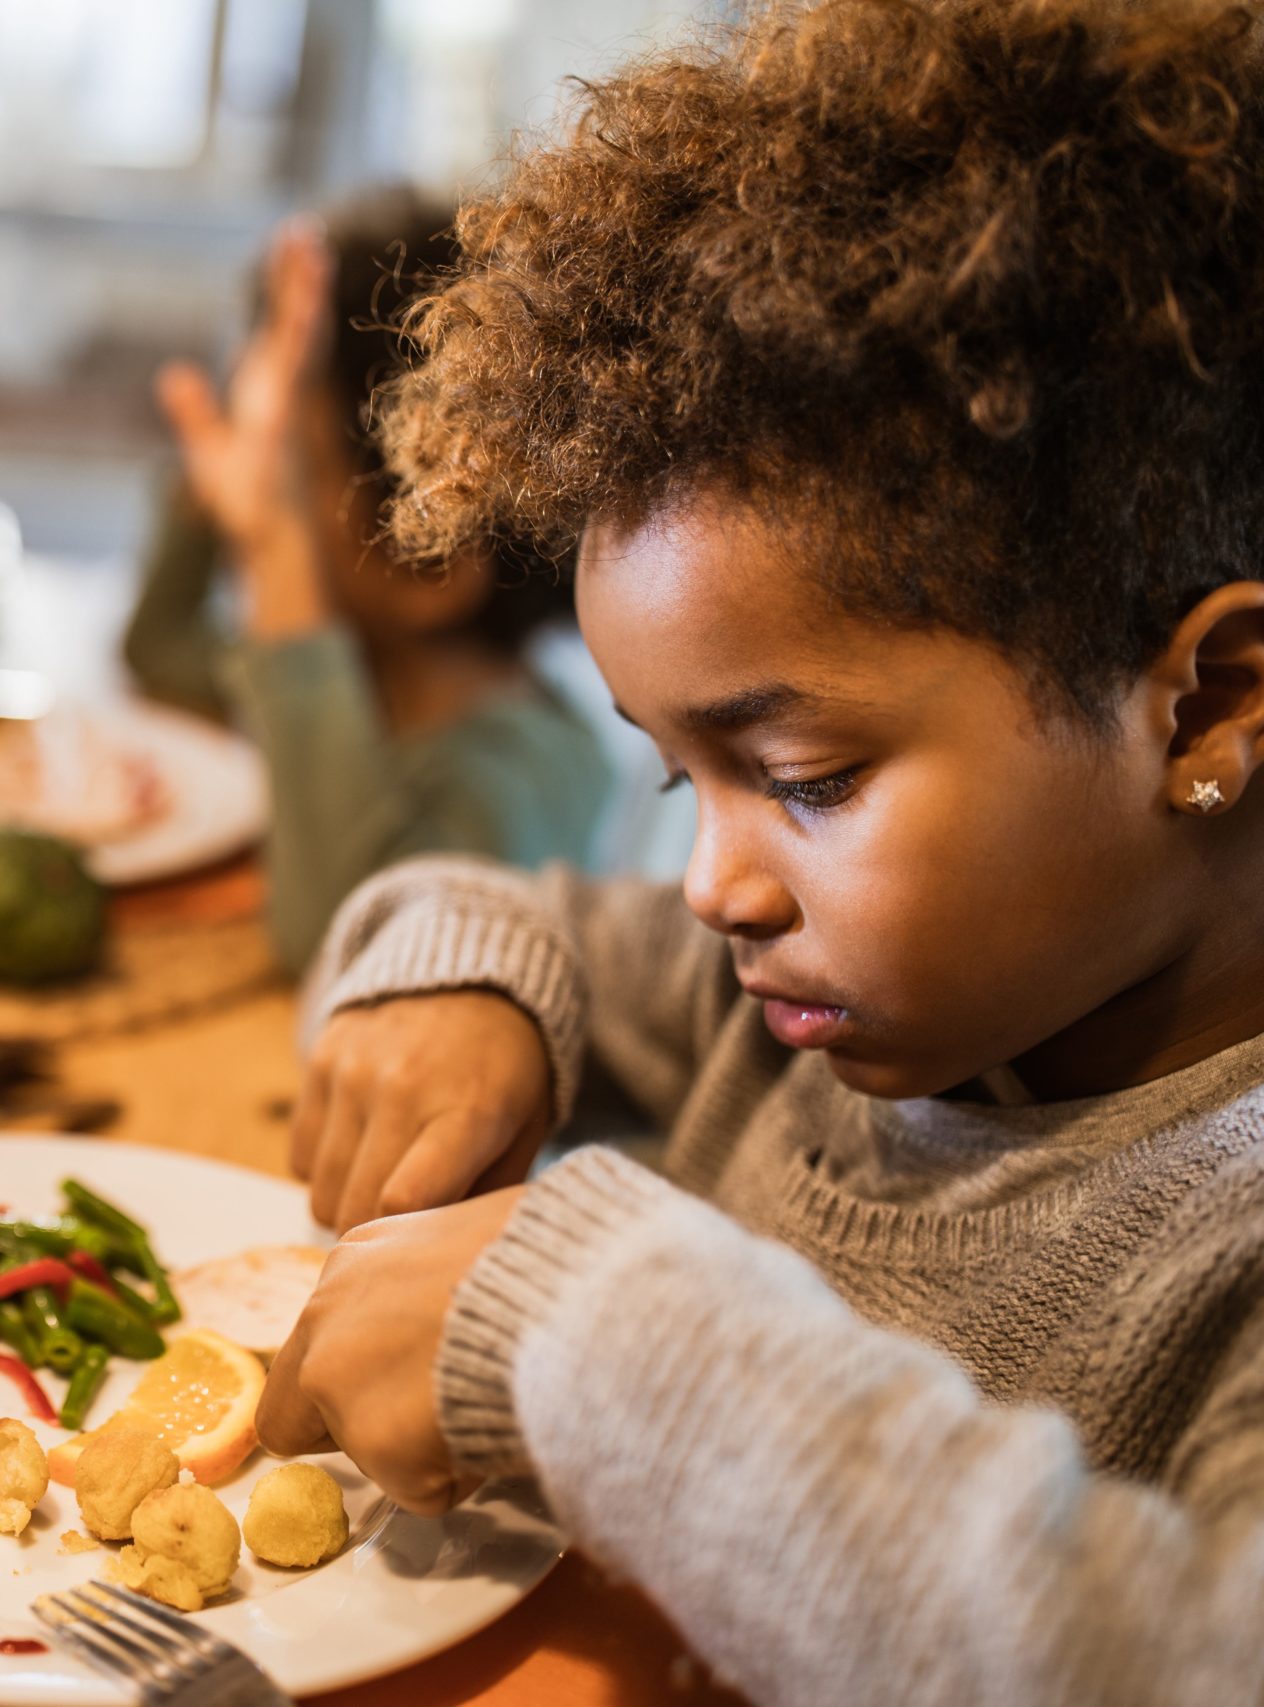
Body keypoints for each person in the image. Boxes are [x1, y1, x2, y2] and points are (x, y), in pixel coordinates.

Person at [254, 2, 1264, 1703]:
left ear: (1211, 705)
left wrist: (612, 1348)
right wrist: (463, 986)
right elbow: (504, 910)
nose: (717, 885)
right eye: (675, 780)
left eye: (804, 776)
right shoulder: (809, 987)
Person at [123, 191, 610, 974]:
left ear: (430, 564)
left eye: (293, 459)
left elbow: (347, 944)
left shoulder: (525, 779)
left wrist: (276, 538)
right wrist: (207, 487)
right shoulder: (362, 687)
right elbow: (161, 647)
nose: (261, 478)